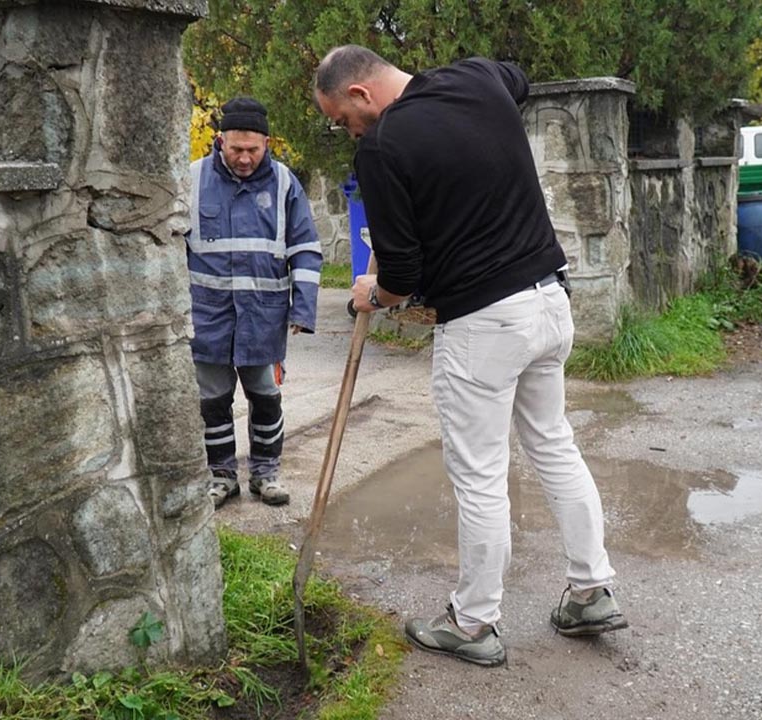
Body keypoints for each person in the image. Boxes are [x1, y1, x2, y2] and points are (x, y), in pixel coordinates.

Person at [313, 46, 627, 667]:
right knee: (554, 444)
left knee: (480, 475)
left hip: (483, 324)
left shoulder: (382, 148)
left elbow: (401, 276)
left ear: (359, 95)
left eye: (341, 119)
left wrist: (367, 295)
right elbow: (520, 77)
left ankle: (474, 623)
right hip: (548, 302)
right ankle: (591, 590)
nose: (347, 131)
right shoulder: (479, 79)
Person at [186, 96, 322, 509]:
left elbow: (306, 247)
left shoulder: (283, 183)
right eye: (236, 149)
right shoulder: (192, 179)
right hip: (207, 316)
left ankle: (266, 473)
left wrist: (303, 308)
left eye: (253, 150)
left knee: (265, 397)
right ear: (220, 141)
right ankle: (222, 476)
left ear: (266, 143)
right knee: (213, 402)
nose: (244, 158)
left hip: (263, 317)